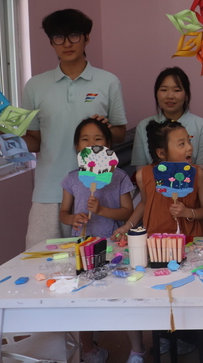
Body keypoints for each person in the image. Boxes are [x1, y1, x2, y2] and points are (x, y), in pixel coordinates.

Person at [22, 8, 127, 248]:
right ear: (51, 42)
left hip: (97, 190)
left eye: (74, 35)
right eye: (59, 37)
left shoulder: (108, 81)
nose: (67, 43)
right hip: (49, 191)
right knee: (40, 260)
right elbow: (35, 141)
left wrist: (107, 129)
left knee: (98, 260)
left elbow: (120, 134)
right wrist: (4, 137)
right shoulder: (35, 86)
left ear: (86, 38)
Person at [122, 120, 203, 363]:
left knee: (188, 292)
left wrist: (187, 212)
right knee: (161, 292)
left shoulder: (197, 173)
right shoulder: (144, 175)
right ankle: (164, 335)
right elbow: (144, 203)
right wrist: (127, 226)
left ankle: (189, 336)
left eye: (189, 142)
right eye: (181, 144)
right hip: (158, 246)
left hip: (191, 243)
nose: (189, 148)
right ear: (161, 153)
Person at [59, 118, 134, 363]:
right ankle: (89, 349)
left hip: (114, 245)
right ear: (77, 147)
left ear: (109, 146)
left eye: (98, 139)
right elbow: (64, 213)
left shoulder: (119, 176)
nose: (91, 144)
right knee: (84, 299)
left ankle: (137, 349)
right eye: (85, 139)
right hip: (83, 247)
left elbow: (128, 212)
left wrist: (101, 210)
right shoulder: (71, 179)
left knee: (125, 296)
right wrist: (73, 219)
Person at [131, 67, 203, 170]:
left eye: (176, 90)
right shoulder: (143, 126)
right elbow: (140, 169)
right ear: (156, 93)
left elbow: (202, 169)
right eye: (164, 90)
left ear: (186, 95)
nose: (170, 96)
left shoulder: (202, 126)